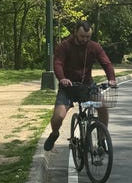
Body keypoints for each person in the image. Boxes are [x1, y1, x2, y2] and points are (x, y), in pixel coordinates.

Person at [43, 20, 117, 151]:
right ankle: (54, 134)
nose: (85, 39)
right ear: (75, 32)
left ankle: (101, 139)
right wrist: (62, 78)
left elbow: (106, 63)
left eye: (88, 37)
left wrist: (111, 79)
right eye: (82, 36)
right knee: (58, 116)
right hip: (68, 88)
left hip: (87, 87)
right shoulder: (64, 46)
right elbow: (58, 63)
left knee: (103, 107)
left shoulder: (94, 47)